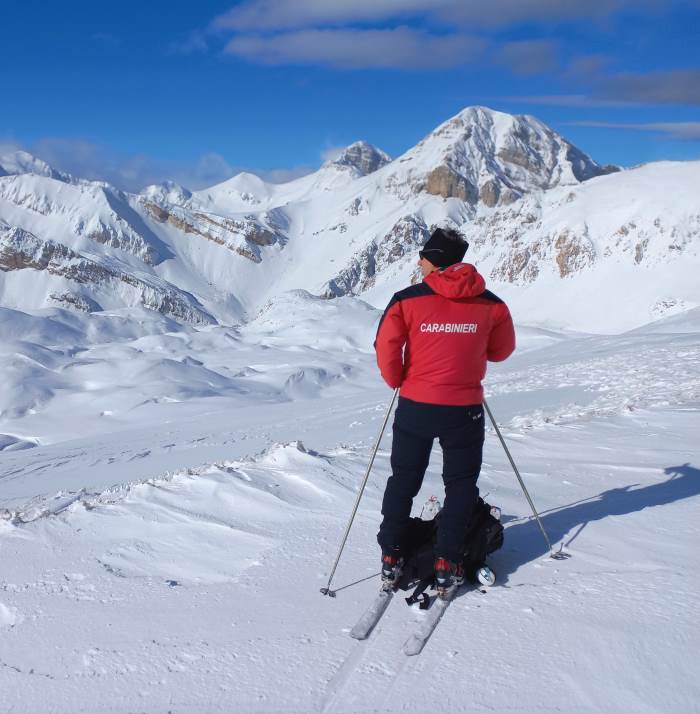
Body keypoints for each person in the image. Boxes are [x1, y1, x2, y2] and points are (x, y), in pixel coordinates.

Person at [374, 227, 515, 595]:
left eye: (423, 255)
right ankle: (447, 559)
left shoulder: (406, 300)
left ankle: (392, 554)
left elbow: (385, 346)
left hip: (416, 406)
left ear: (435, 260)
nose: (418, 261)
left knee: (404, 480)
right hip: (464, 409)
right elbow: (501, 351)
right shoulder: (491, 303)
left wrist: (398, 380)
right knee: (461, 484)